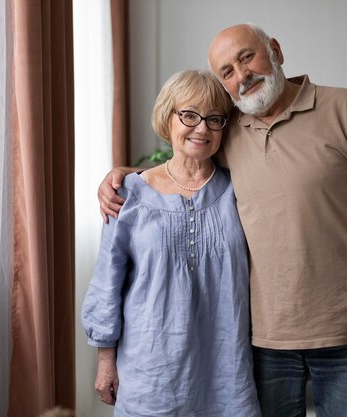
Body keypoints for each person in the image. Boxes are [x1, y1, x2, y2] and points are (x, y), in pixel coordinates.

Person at [98, 23, 347, 417]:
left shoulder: (345, 108)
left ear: (274, 50)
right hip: (262, 342)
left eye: (247, 57)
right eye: (227, 71)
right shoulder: (227, 130)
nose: (242, 75)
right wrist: (124, 175)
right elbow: (185, 158)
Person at [82, 69, 262, 417]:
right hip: (150, 372)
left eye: (214, 119)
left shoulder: (240, 189)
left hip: (226, 369)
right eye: (189, 115)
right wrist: (106, 362)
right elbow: (107, 283)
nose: (202, 128)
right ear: (168, 118)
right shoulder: (127, 195)